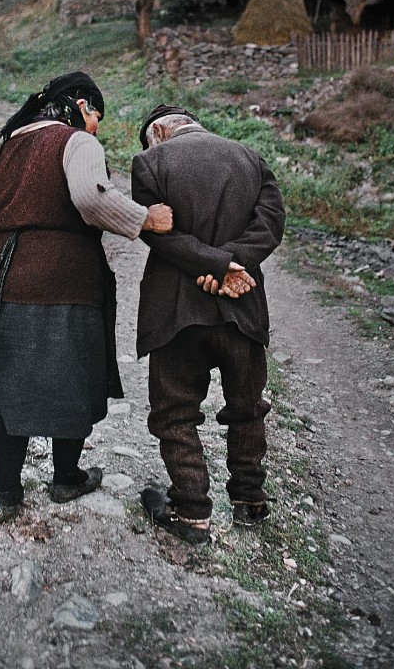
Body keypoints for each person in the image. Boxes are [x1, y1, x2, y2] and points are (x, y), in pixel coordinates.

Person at [0, 73, 173, 523]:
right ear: (81, 105)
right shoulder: (76, 142)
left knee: (11, 384)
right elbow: (90, 197)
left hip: (3, 283)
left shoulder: (6, 142)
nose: (97, 128)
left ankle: (5, 493)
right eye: (97, 117)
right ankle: (65, 479)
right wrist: (145, 218)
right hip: (65, 281)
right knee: (73, 380)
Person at [131, 105, 286, 543]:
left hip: (177, 313)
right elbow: (271, 223)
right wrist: (233, 267)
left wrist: (214, 264)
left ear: (158, 130)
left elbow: (155, 231)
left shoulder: (149, 162)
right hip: (243, 307)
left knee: (175, 412)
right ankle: (249, 501)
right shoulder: (250, 157)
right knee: (247, 407)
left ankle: (193, 511)